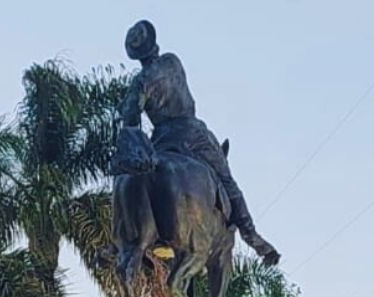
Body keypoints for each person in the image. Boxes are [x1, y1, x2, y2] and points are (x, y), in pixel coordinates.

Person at [119, 20, 279, 264]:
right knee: (227, 181)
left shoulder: (140, 82)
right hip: (192, 132)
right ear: (155, 44)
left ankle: (128, 239)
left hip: (161, 140)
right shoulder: (172, 62)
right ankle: (253, 237)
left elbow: (131, 114)